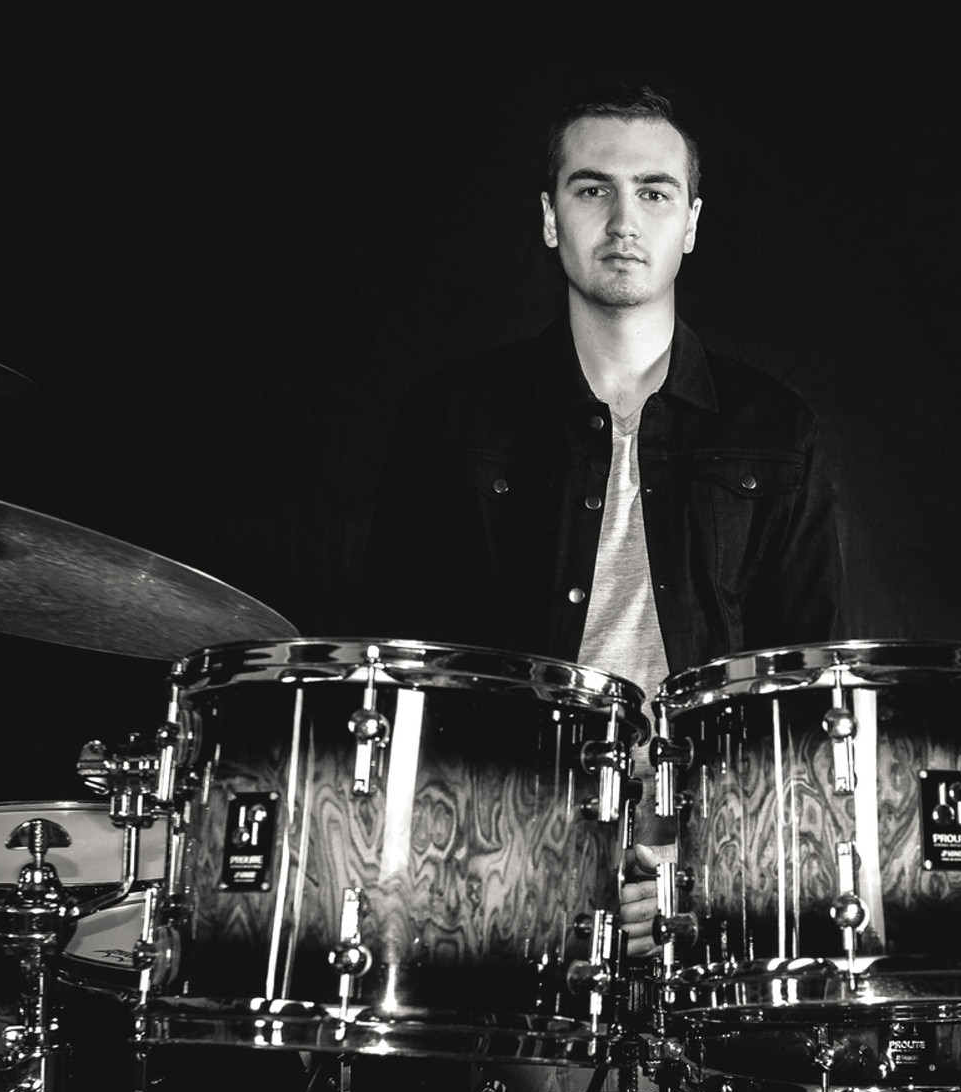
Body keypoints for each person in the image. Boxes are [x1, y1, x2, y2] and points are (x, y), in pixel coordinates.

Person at [363, 88, 847, 698]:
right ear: (549, 217)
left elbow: (811, 678)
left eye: (653, 192)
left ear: (690, 223)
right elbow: (394, 666)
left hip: (709, 785)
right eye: (593, 190)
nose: (624, 223)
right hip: (501, 784)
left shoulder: (776, 428)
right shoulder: (450, 418)